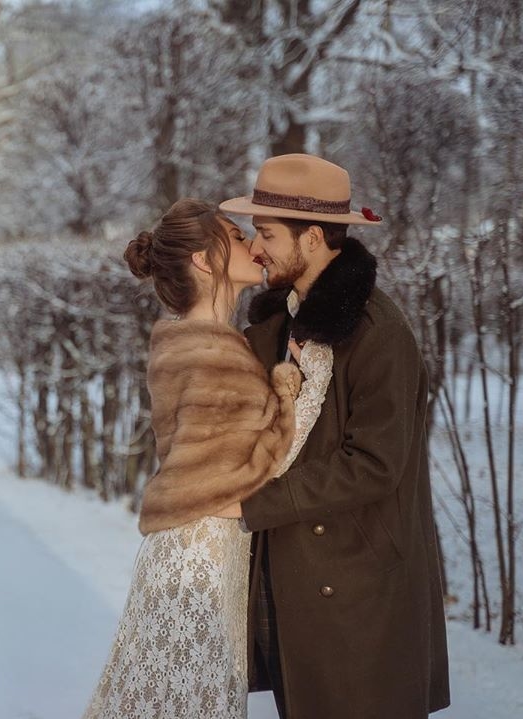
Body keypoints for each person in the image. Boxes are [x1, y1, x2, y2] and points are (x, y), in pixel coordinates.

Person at [218, 153, 451, 718]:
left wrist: (250, 502)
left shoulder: (379, 333)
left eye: (266, 234)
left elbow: (375, 463)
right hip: (300, 581)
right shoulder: (281, 324)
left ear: (315, 236)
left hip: (360, 594)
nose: (255, 248)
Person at [82, 198, 334, 719]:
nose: (252, 246)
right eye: (237, 237)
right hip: (198, 560)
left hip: (190, 547)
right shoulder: (211, 348)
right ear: (203, 258)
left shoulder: (189, 338)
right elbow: (265, 461)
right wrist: (302, 383)